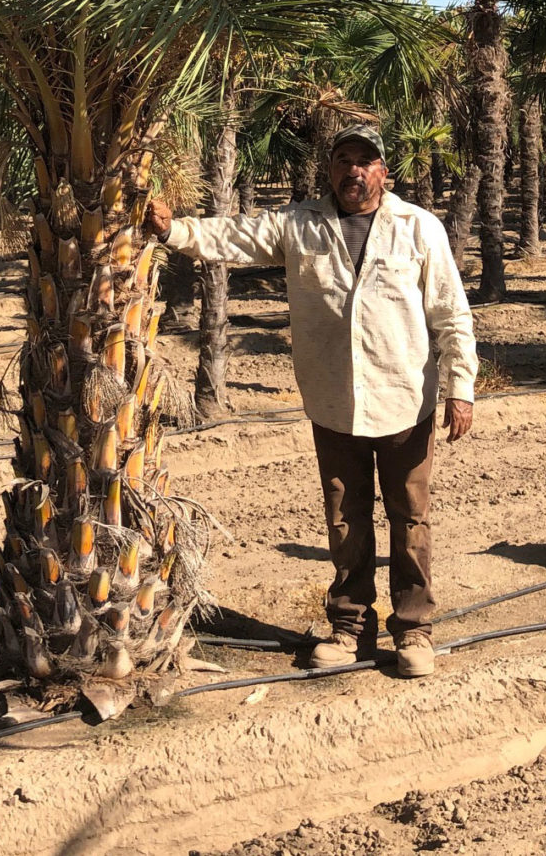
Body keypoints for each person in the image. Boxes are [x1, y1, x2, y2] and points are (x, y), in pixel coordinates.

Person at [144, 122, 477, 679]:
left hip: (404, 398)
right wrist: (173, 230)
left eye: (365, 161)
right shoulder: (299, 225)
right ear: (331, 171)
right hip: (333, 401)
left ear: (383, 171)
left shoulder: (419, 228)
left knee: (410, 517)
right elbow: (236, 236)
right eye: (343, 159)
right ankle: (349, 626)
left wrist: (460, 389)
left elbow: (450, 313)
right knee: (345, 518)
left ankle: (413, 628)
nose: (354, 171)